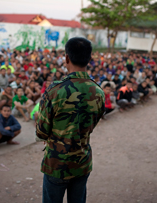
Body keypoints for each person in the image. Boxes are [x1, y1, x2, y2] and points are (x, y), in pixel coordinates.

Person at [36, 37, 105, 203]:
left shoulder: (55, 90)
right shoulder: (98, 92)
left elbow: (41, 131)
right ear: (89, 59)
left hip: (56, 163)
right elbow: (91, 125)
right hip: (82, 162)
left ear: (66, 58)